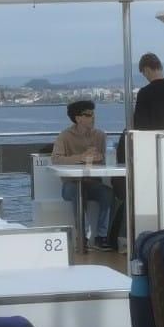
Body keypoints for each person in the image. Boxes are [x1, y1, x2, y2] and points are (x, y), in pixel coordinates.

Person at [52, 100, 115, 251]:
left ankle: (102, 236)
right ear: (78, 118)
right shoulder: (65, 136)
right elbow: (56, 159)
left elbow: (108, 158)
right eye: (89, 115)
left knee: (108, 194)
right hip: (71, 184)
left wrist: (100, 157)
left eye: (94, 114)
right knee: (76, 192)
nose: (93, 117)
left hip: (93, 182)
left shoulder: (100, 135)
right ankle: (83, 236)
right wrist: (81, 157)